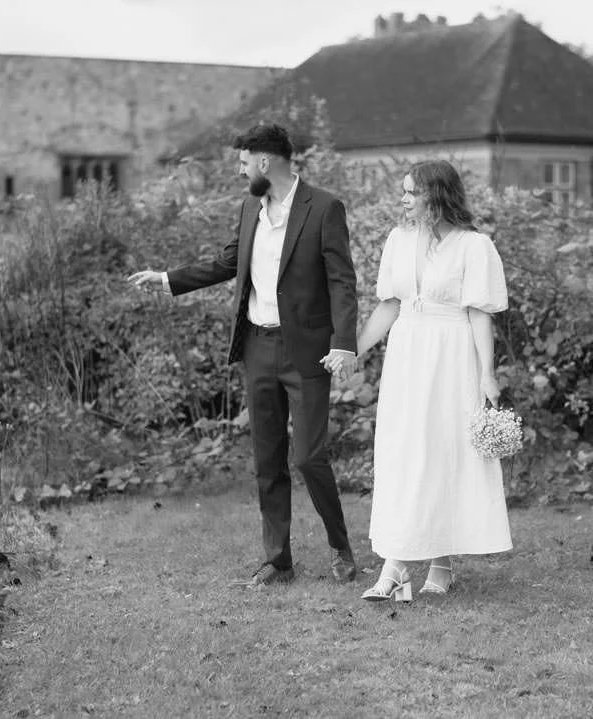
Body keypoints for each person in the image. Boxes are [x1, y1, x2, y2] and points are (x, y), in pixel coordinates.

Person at [128, 123, 359, 588]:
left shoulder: (324, 208)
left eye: (242, 161)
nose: (240, 169)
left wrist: (343, 342)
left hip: (308, 353)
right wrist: (168, 278)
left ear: (264, 161)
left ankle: (340, 545)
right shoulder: (251, 205)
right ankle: (279, 560)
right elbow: (229, 263)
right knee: (266, 458)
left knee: (310, 456)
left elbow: (342, 281)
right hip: (257, 346)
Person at [324, 159, 512, 601]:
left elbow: (478, 312)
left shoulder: (473, 246)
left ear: (436, 195)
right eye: (403, 191)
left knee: (444, 451)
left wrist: (487, 375)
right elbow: (389, 306)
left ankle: (439, 565)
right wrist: (353, 351)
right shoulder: (398, 241)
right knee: (406, 453)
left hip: (452, 356)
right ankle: (397, 563)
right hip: (408, 356)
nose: (403, 200)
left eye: (411, 192)